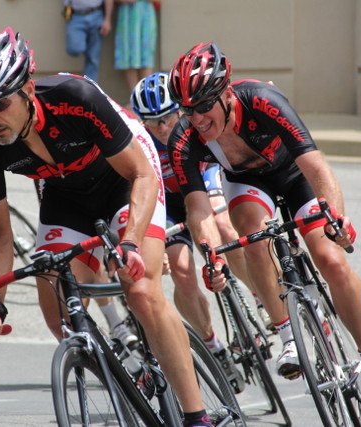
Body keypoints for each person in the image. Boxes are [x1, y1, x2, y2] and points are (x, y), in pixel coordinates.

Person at [0, 27, 216, 426]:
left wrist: (129, 243)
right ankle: (121, 370)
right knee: (56, 303)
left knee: (141, 290)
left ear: (27, 88)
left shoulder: (75, 99)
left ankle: (196, 416)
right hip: (65, 194)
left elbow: (143, 176)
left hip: (125, 177)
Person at [167, 41, 361, 420]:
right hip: (247, 183)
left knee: (331, 259)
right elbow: (198, 209)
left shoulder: (263, 101)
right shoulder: (185, 139)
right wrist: (209, 255)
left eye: (202, 106)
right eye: (186, 109)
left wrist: (335, 221)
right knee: (251, 237)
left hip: (294, 175)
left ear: (226, 94)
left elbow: (317, 168)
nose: (194, 118)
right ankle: (287, 333)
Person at [130, 71, 248, 393]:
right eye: (153, 123)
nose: (163, 128)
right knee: (182, 271)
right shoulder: (139, 144)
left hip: (202, 182)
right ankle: (213, 345)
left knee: (223, 225)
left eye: (168, 117)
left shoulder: (193, 129)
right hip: (169, 206)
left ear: (180, 111)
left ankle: (260, 297)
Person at [114, 0, 158, 101]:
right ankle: (135, 99)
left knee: (146, 58)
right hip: (127, 16)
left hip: (145, 15)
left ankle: (148, 98)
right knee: (129, 57)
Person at [63, 0, 114, 82]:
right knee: (75, 48)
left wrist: (107, 20)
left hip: (96, 13)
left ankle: (89, 87)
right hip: (75, 14)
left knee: (93, 58)